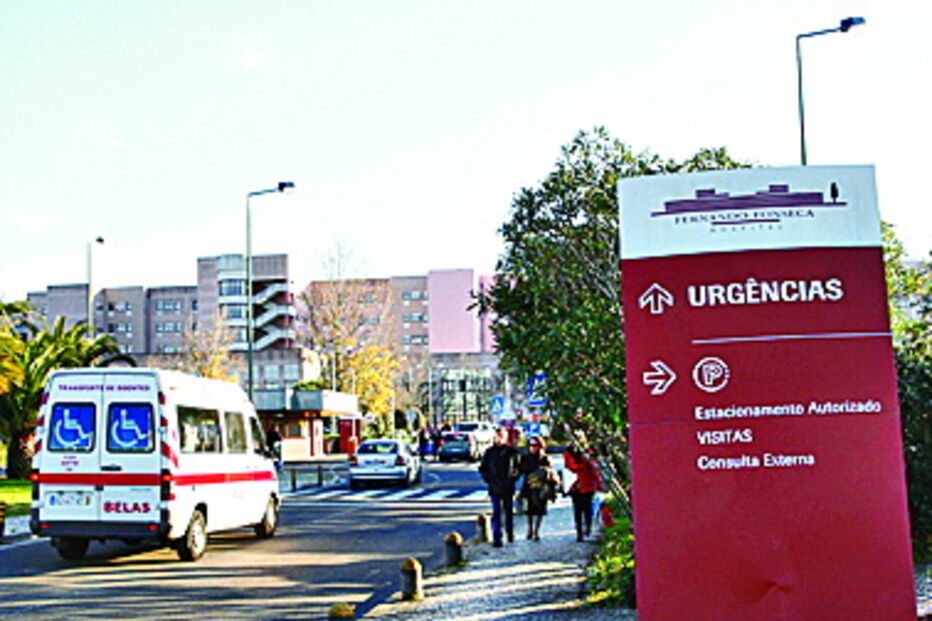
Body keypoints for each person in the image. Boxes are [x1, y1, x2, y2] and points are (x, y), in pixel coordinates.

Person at [479, 427, 520, 547]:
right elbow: (483, 468)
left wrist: (512, 478)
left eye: (501, 437)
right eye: (497, 436)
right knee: (496, 513)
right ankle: (497, 537)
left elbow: (518, 468)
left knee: (508, 512)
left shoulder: (512, 452)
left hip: (508, 487)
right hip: (494, 487)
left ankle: (510, 534)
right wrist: (489, 480)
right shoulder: (490, 452)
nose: (498, 439)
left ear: (506, 438)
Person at [518, 436, 556, 541]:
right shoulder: (525, 457)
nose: (532, 448)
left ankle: (536, 531)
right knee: (529, 510)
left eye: (535, 445)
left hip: (542, 487)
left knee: (540, 510)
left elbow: (551, 472)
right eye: (530, 445)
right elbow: (521, 470)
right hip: (529, 486)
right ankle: (530, 530)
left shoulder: (544, 458)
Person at [563, 444, 603, 541]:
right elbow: (594, 473)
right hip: (583, 487)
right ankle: (585, 530)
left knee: (579, 511)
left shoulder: (569, 457)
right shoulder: (585, 458)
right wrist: (598, 485)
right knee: (586, 510)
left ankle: (580, 532)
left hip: (577, 487)